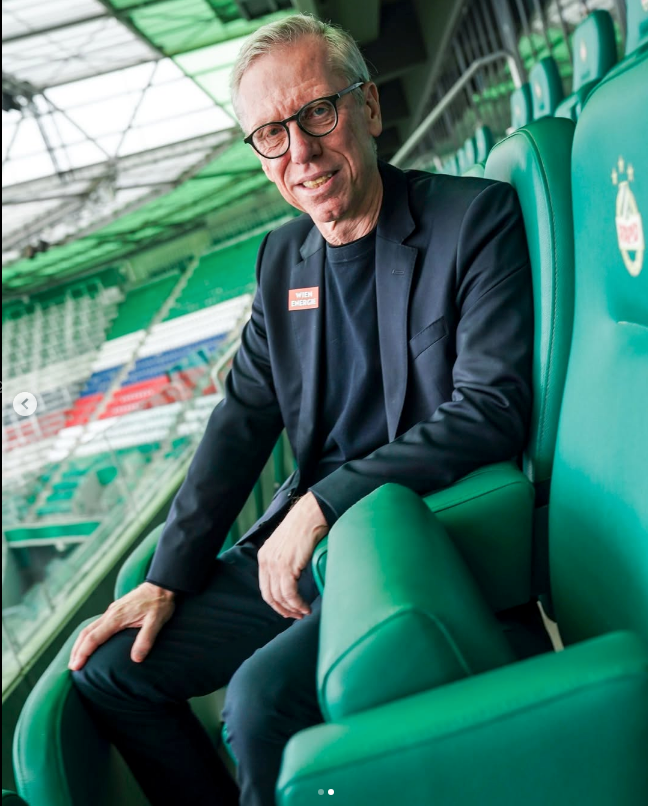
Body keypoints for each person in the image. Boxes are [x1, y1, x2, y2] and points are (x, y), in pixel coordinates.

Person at [70, 13, 534, 806]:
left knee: (259, 702)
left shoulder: (474, 221)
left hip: (417, 537)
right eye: (271, 134)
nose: (302, 153)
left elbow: (491, 408)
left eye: (318, 113)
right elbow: (242, 421)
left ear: (371, 108)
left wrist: (324, 501)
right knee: (114, 674)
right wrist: (166, 578)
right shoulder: (283, 258)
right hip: (298, 554)